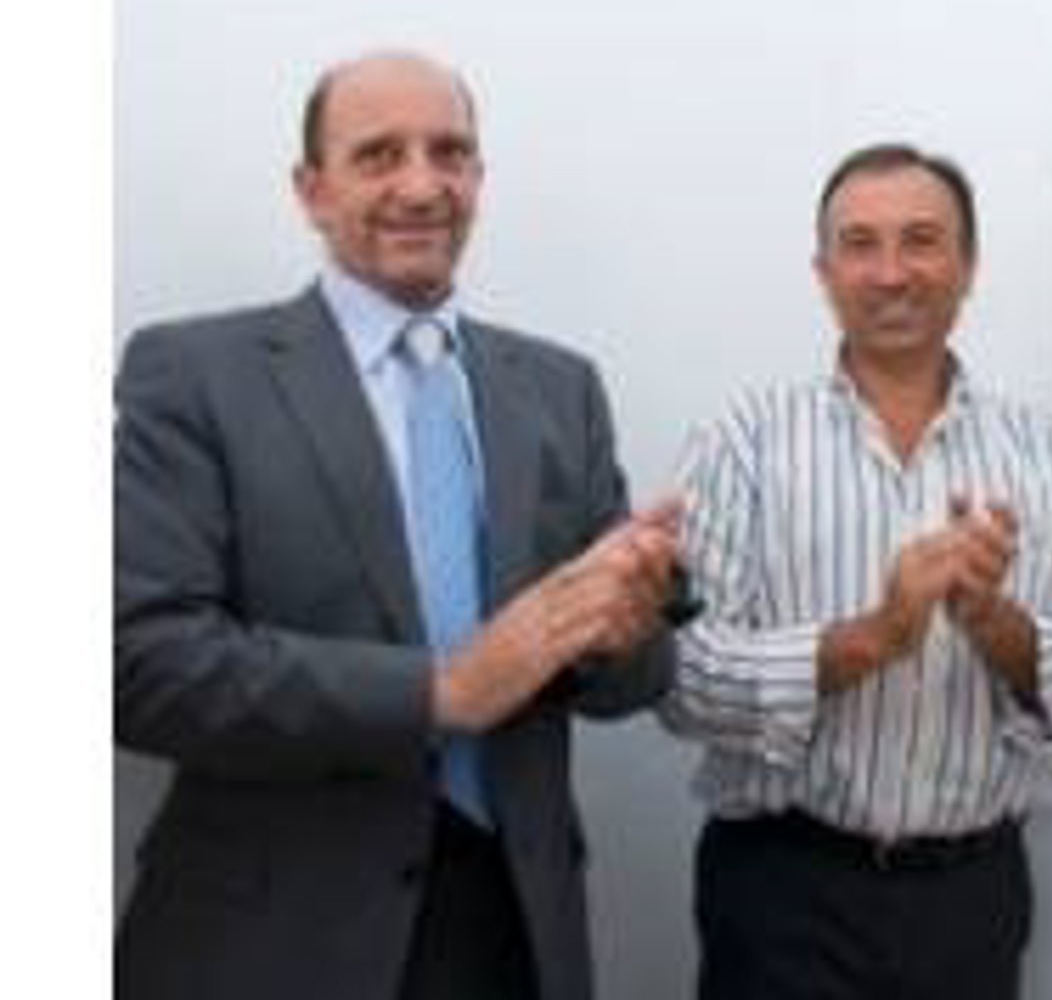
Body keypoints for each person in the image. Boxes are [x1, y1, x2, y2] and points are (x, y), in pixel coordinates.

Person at [115, 50, 680, 1000]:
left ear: (479, 178)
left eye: (448, 153)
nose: (421, 185)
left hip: (513, 934)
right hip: (272, 944)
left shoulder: (560, 389)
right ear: (311, 189)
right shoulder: (195, 374)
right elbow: (141, 663)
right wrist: (440, 691)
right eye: (379, 154)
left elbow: (629, 681)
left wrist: (624, 632)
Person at [662, 143, 1052, 1000]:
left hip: (972, 900)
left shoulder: (1041, 448)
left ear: (969, 266)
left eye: (921, 240)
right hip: (784, 893)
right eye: (860, 244)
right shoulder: (744, 441)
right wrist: (873, 637)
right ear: (824, 273)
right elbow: (680, 679)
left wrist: (995, 622)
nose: (891, 272)